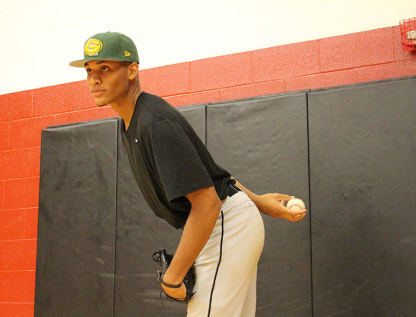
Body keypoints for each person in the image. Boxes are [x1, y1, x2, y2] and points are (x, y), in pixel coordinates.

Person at [70, 31, 307, 317]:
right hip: (226, 224)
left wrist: (173, 277)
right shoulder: (134, 122)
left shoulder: (153, 122)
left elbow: (207, 201)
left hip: (224, 226)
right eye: (89, 70)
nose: (94, 78)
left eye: (105, 68)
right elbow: (210, 175)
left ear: (132, 70)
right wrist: (259, 201)